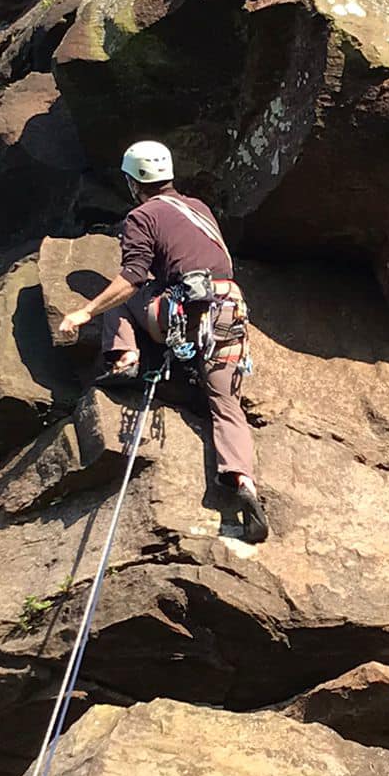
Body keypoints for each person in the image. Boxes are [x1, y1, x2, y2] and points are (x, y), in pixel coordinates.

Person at [56, 140, 268, 543]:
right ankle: (244, 482)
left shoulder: (141, 216)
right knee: (225, 404)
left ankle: (125, 359)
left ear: (133, 182)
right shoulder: (200, 209)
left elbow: (133, 276)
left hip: (183, 317)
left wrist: (86, 311)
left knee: (118, 294)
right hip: (228, 315)